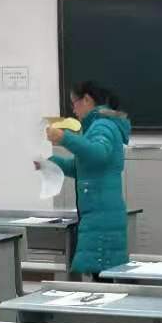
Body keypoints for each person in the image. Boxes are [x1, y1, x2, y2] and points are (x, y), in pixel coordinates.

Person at [38, 82, 131, 276]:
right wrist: (48, 163)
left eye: (74, 103)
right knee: (100, 277)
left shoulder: (102, 125)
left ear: (87, 99)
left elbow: (98, 153)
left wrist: (64, 138)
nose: (73, 110)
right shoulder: (98, 126)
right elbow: (80, 168)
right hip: (98, 214)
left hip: (101, 217)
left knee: (102, 278)